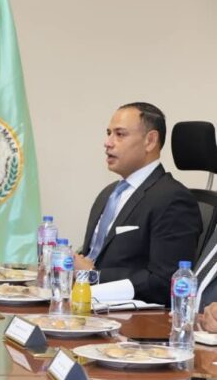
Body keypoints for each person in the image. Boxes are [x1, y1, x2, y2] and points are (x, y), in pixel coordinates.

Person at [74, 102, 201, 306]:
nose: (108, 143)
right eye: (108, 133)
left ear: (150, 141)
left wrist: (93, 276)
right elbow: (92, 257)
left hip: (129, 316)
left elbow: (164, 282)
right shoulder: (108, 194)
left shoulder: (173, 199)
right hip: (84, 303)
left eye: (120, 134)